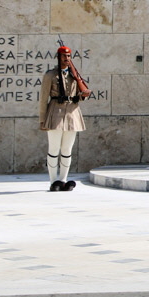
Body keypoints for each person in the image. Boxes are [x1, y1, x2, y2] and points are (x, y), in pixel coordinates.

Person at [39, 46, 87, 192]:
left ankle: (63, 180)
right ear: (58, 57)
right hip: (55, 112)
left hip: (72, 113)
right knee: (54, 149)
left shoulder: (74, 75)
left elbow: (78, 93)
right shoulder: (50, 75)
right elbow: (43, 99)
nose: (67, 59)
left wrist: (82, 94)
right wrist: (42, 119)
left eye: (69, 56)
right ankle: (53, 181)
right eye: (64, 56)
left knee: (67, 149)